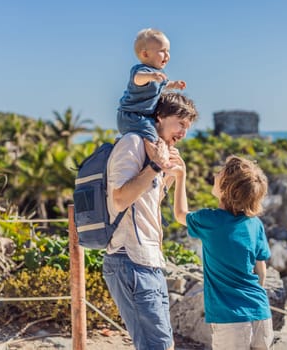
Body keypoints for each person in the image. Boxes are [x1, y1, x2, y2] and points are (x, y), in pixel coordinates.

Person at [103, 92, 198, 350]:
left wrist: (172, 175)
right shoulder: (132, 142)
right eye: (180, 123)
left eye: (187, 127)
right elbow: (120, 199)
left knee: (161, 345)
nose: (183, 132)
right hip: (130, 259)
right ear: (159, 116)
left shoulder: (154, 151)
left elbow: (147, 204)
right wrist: (155, 166)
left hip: (149, 262)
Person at [171, 155, 274, 350]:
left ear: (227, 188)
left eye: (220, 173)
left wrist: (180, 176)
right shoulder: (255, 224)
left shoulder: (210, 220)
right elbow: (261, 273)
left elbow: (179, 214)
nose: (215, 174)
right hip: (260, 311)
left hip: (230, 318)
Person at [116, 28, 186, 166]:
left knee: (159, 132)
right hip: (132, 116)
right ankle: (155, 163)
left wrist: (175, 84)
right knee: (151, 136)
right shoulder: (141, 70)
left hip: (144, 116)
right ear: (145, 54)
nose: (167, 55)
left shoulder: (158, 73)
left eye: (168, 51)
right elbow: (138, 79)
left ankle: (127, 146)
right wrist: (150, 77)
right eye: (162, 51)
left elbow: (164, 84)